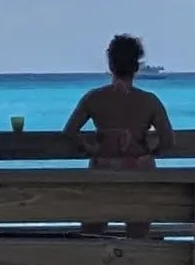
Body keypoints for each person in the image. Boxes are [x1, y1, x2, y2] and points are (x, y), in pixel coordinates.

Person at [65, 35, 172, 169]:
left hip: (103, 173)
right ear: (136, 67)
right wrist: (150, 152)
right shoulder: (150, 101)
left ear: (111, 65)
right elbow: (167, 140)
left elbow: (69, 132)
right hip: (140, 175)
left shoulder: (93, 98)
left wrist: (90, 149)